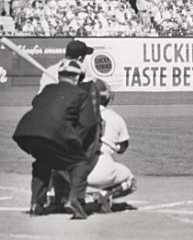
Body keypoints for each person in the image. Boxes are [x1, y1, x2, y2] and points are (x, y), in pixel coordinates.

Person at [12, 59, 98, 219]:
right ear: (76, 78)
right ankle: (75, 199)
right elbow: (89, 123)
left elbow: (36, 102)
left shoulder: (47, 89)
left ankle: (36, 203)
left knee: (43, 161)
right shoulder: (81, 94)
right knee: (80, 162)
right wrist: (76, 142)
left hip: (25, 132)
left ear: (60, 76)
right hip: (55, 133)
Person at [85, 80, 136, 213]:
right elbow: (123, 148)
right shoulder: (115, 117)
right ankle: (106, 194)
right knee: (131, 181)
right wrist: (113, 146)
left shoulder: (78, 114)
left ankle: (57, 198)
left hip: (77, 171)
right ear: (106, 97)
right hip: (103, 168)